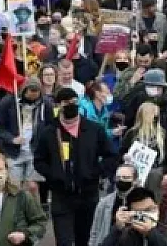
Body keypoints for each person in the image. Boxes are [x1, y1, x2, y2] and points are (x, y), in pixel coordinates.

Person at [33, 87, 116, 246]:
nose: (71, 105)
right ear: (58, 105)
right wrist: (53, 175)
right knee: (63, 241)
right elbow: (39, 160)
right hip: (61, 196)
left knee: (84, 240)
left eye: (74, 102)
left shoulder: (94, 129)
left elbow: (111, 156)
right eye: (66, 102)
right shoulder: (49, 132)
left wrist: (96, 172)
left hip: (88, 194)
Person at [0, 77, 55, 194]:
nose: (34, 94)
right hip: (13, 153)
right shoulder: (8, 102)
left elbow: (51, 126)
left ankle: (34, 211)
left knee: (32, 187)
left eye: (37, 91)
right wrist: (11, 139)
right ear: (25, 90)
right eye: (31, 91)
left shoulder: (45, 104)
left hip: (35, 151)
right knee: (14, 187)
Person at [99, 186, 167, 246]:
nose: (145, 215)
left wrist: (150, 233)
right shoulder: (125, 235)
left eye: (149, 209)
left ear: (157, 208)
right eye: (140, 212)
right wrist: (117, 228)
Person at [89, 164, 139, 246]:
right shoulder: (104, 203)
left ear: (135, 181)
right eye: (118, 177)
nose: (121, 180)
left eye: (126, 178)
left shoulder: (142, 203)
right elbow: (94, 233)